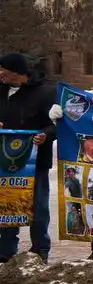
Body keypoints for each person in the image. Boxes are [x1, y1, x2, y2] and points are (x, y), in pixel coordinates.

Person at [0, 52, 57, 264]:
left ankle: (40, 250)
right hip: (3, 161)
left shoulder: (45, 93)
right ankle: (5, 250)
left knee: (38, 207)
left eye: (6, 73)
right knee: (6, 203)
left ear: (19, 73)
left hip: (35, 161)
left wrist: (46, 135)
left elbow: (57, 123)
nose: (2, 76)